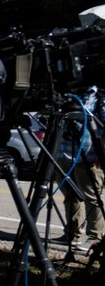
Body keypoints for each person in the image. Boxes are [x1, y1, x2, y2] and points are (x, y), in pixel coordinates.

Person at [56, 87, 105, 253]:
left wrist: (102, 153)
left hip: (88, 155)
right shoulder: (66, 92)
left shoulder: (98, 95)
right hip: (63, 153)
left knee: (92, 197)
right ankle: (72, 234)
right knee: (70, 195)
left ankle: (95, 237)